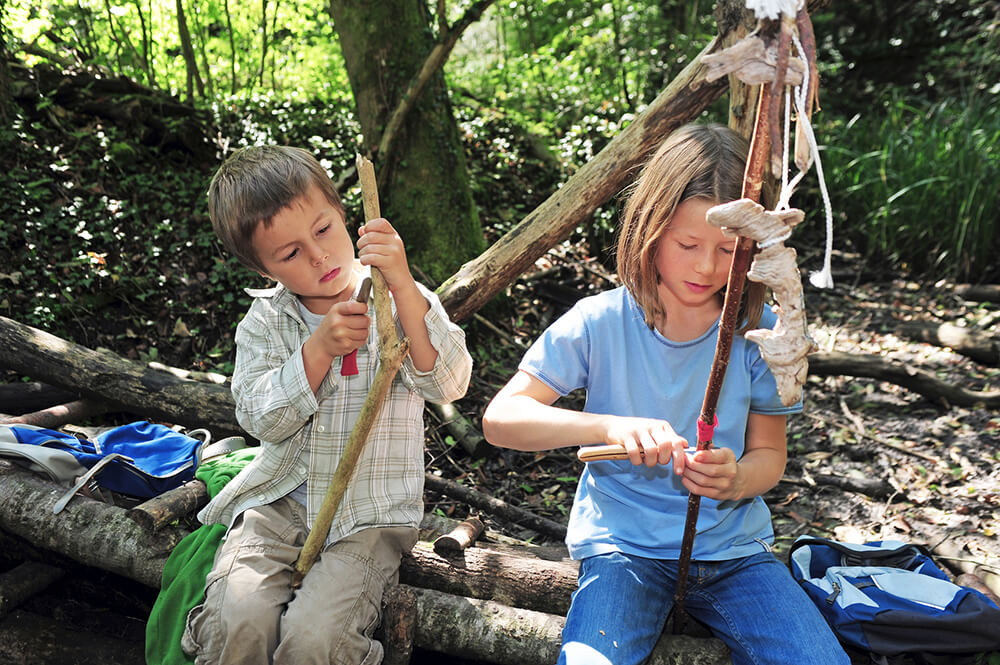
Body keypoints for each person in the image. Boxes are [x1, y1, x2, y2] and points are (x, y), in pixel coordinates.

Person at [481, 123, 848, 665]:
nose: (706, 266)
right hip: (622, 551)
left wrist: (736, 478)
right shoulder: (599, 322)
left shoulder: (761, 334)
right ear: (650, 230)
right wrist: (609, 426)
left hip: (735, 554)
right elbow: (501, 419)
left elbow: (770, 456)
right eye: (687, 243)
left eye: (728, 250)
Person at [182, 145, 473, 665]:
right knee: (237, 619)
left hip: (371, 516)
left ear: (344, 215)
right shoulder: (266, 323)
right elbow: (259, 419)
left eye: (323, 231)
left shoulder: (398, 296)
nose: (317, 257)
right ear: (262, 266)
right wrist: (315, 353)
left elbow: (450, 382)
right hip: (278, 502)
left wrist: (404, 285)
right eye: (290, 253)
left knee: (316, 639)